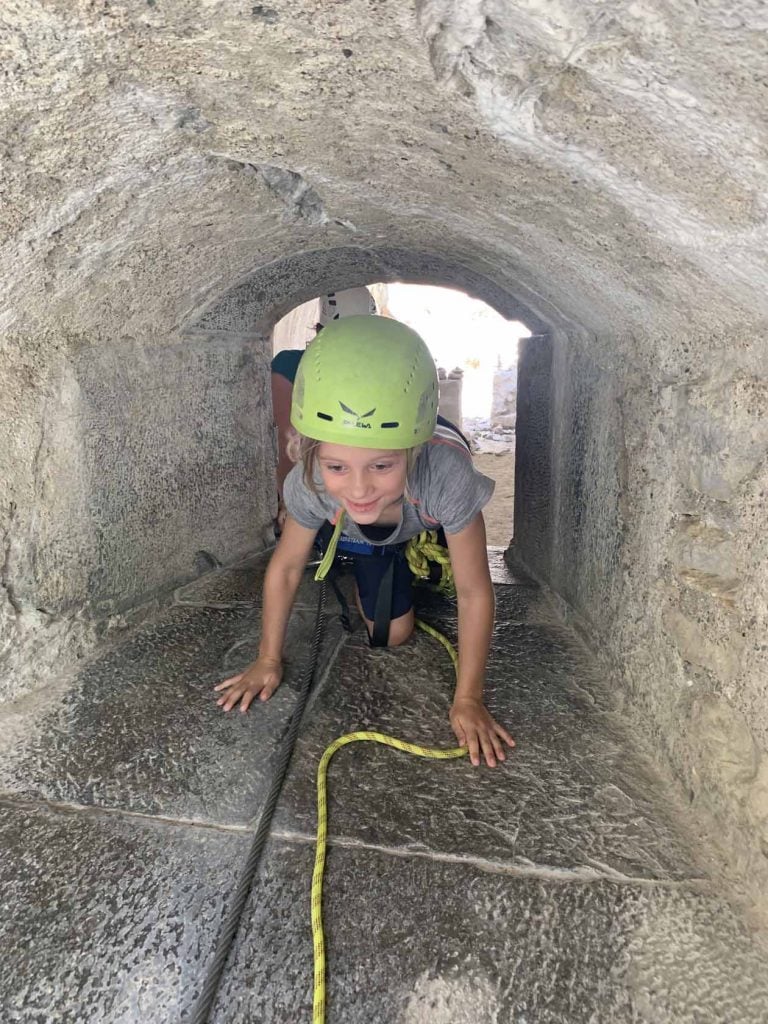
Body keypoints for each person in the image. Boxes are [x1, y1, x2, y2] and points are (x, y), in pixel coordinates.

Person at [216, 316, 515, 768]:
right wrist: (267, 659)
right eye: (338, 467)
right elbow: (287, 567)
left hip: (427, 514)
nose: (358, 489)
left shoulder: (446, 477)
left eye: (381, 466)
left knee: (445, 576)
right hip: (376, 528)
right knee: (392, 633)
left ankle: (417, 553)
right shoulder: (309, 481)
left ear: (412, 453)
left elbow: (475, 591)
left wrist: (468, 698)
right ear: (314, 457)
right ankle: (371, 556)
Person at [271, 288, 377, 533]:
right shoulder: (290, 367)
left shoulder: (378, 370)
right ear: (319, 333)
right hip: (314, 481)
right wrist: (291, 502)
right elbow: (287, 440)